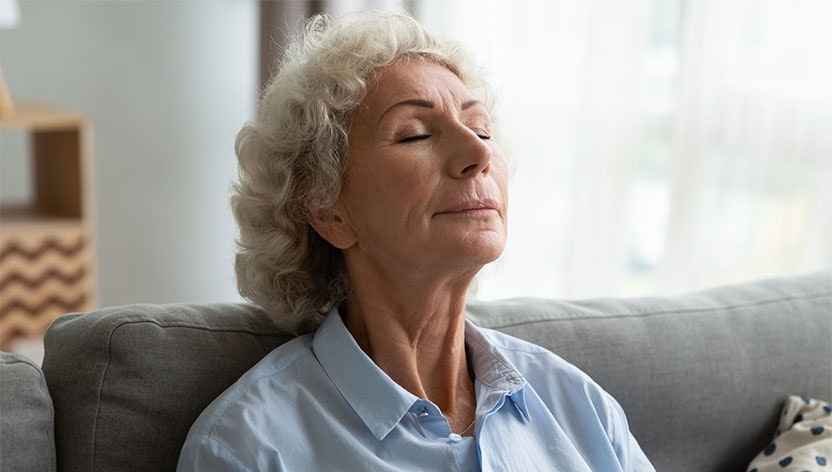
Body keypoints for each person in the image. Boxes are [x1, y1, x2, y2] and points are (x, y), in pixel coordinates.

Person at [178, 10, 655, 471]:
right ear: (326, 209)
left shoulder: (583, 408)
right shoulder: (247, 447)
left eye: (482, 128)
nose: (478, 152)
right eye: (415, 135)